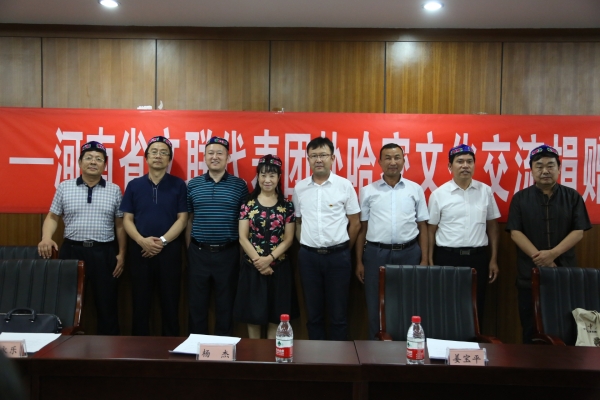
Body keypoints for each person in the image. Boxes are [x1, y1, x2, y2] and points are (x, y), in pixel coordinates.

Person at [37, 141, 125, 335]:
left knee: (107, 306)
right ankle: (63, 347)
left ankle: (110, 350)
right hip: (72, 252)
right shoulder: (65, 187)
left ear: (104, 165)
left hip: (104, 253)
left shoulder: (114, 190)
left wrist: (122, 253)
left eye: (99, 159)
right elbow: (53, 216)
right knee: (66, 304)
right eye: (89, 158)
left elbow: (120, 224)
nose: (93, 162)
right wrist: (46, 237)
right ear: (79, 162)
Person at [506, 144, 591, 344]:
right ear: (531, 170)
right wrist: (541, 258)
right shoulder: (520, 198)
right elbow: (515, 233)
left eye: (550, 165)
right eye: (539, 166)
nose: (545, 170)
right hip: (529, 275)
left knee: (566, 328)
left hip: (564, 273)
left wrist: (553, 254)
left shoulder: (573, 197)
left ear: (559, 168)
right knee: (531, 328)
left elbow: (579, 231)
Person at [356, 143, 429, 340]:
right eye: (387, 158)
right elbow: (362, 228)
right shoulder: (368, 191)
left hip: (409, 252)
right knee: (375, 305)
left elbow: (423, 226)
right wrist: (359, 261)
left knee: (409, 303)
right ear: (379, 162)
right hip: (375, 254)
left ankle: (408, 347)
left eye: (397, 157)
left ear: (404, 161)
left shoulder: (415, 189)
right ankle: (376, 349)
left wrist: (424, 260)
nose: (392, 162)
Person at [292, 136, 361, 341]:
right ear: (308, 159)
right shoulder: (300, 188)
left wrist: (343, 249)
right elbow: (298, 221)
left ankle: (338, 359)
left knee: (339, 314)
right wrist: (305, 244)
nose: (318, 160)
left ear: (332, 158)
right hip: (309, 258)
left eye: (323, 155)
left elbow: (355, 223)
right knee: (313, 314)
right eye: (313, 156)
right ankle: (316, 357)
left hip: (338, 257)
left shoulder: (344, 186)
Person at [120, 136, 188, 336]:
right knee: (140, 304)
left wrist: (162, 242)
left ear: (169, 159)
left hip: (170, 251)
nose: (158, 156)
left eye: (164, 152)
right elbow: (127, 219)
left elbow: (183, 219)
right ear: (146, 157)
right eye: (154, 152)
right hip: (140, 251)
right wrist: (142, 241)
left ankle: (172, 348)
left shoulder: (179, 185)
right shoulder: (134, 185)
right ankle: (139, 350)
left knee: (170, 305)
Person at [427, 144, 500, 325]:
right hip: (447, 257)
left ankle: (472, 342)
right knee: (446, 305)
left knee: (476, 305)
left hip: (478, 258)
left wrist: (493, 259)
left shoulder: (485, 191)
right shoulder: (439, 194)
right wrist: (429, 259)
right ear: (450, 166)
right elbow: (431, 230)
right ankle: (446, 342)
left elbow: (492, 226)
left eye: (469, 161)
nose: (465, 165)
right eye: (460, 161)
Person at [186, 136, 249, 336]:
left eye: (220, 153)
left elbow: (244, 222)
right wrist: (189, 250)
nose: (215, 157)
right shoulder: (193, 185)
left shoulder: (239, 186)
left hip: (228, 253)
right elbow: (189, 219)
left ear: (228, 158)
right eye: (211, 153)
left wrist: (240, 255)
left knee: (226, 305)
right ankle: (196, 347)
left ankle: (224, 349)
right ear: (204, 157)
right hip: (198, 252)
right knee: (197, 305)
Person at [233, 154, 299, 339]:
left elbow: (288, 239)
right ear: (258, 177)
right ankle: (255, 356)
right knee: (253, 317)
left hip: (279, 267)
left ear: (279, 177)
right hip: (252, 268)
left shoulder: (287, 205)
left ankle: (273, 355)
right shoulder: (247, 203)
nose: (267, 180)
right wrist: (259, 262)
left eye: (272, 175)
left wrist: (269, 260)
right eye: (263, 175)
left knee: (276, 318)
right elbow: (243, 237)